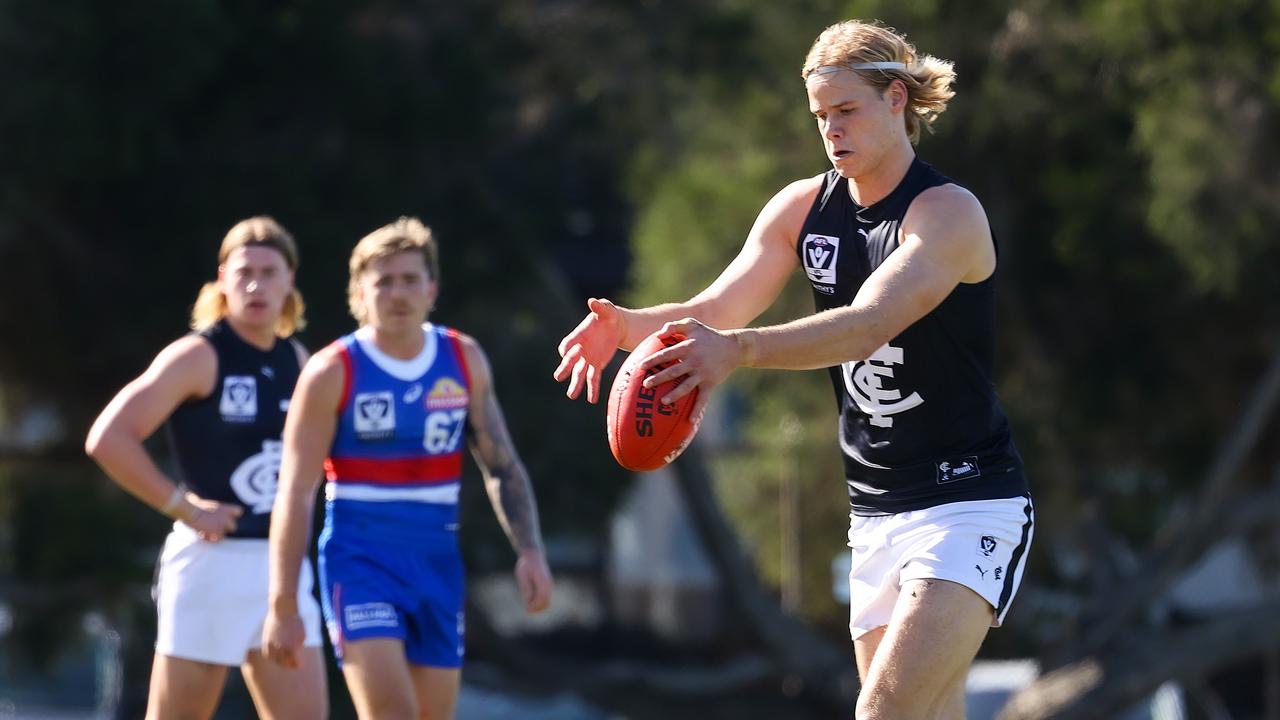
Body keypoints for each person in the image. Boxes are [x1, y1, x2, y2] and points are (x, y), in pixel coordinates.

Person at [554, 20, 1034, 719]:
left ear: (897, 99)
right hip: (875, 512)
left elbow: (869, 323)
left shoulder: (946, 214)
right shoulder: (802, 210)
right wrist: (628, 327)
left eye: (847, 111)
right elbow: (718, 307)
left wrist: (740, 352)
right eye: (820, 117)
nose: (831, 130)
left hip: (966, 505)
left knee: (883, 711)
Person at [263, 217, 554, 719]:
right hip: (361, 562)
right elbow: (295, 492)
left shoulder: (463, 359)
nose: (397, 293)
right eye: (384, 281)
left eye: (410, 280)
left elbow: (502, 466)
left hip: (437, 561)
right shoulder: (333, 372)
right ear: (359, 291)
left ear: (432, 288)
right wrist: (283, 602)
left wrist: (530, 550)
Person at [85, 217, 327, 720]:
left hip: (282, 573)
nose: (256, 285)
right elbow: (108, 439)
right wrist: (186, 508)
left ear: (290, 280)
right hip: (211, 567)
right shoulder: (198, 356)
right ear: (222, 278)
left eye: (269, 271)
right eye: (244, 272)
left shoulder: (298, 360)